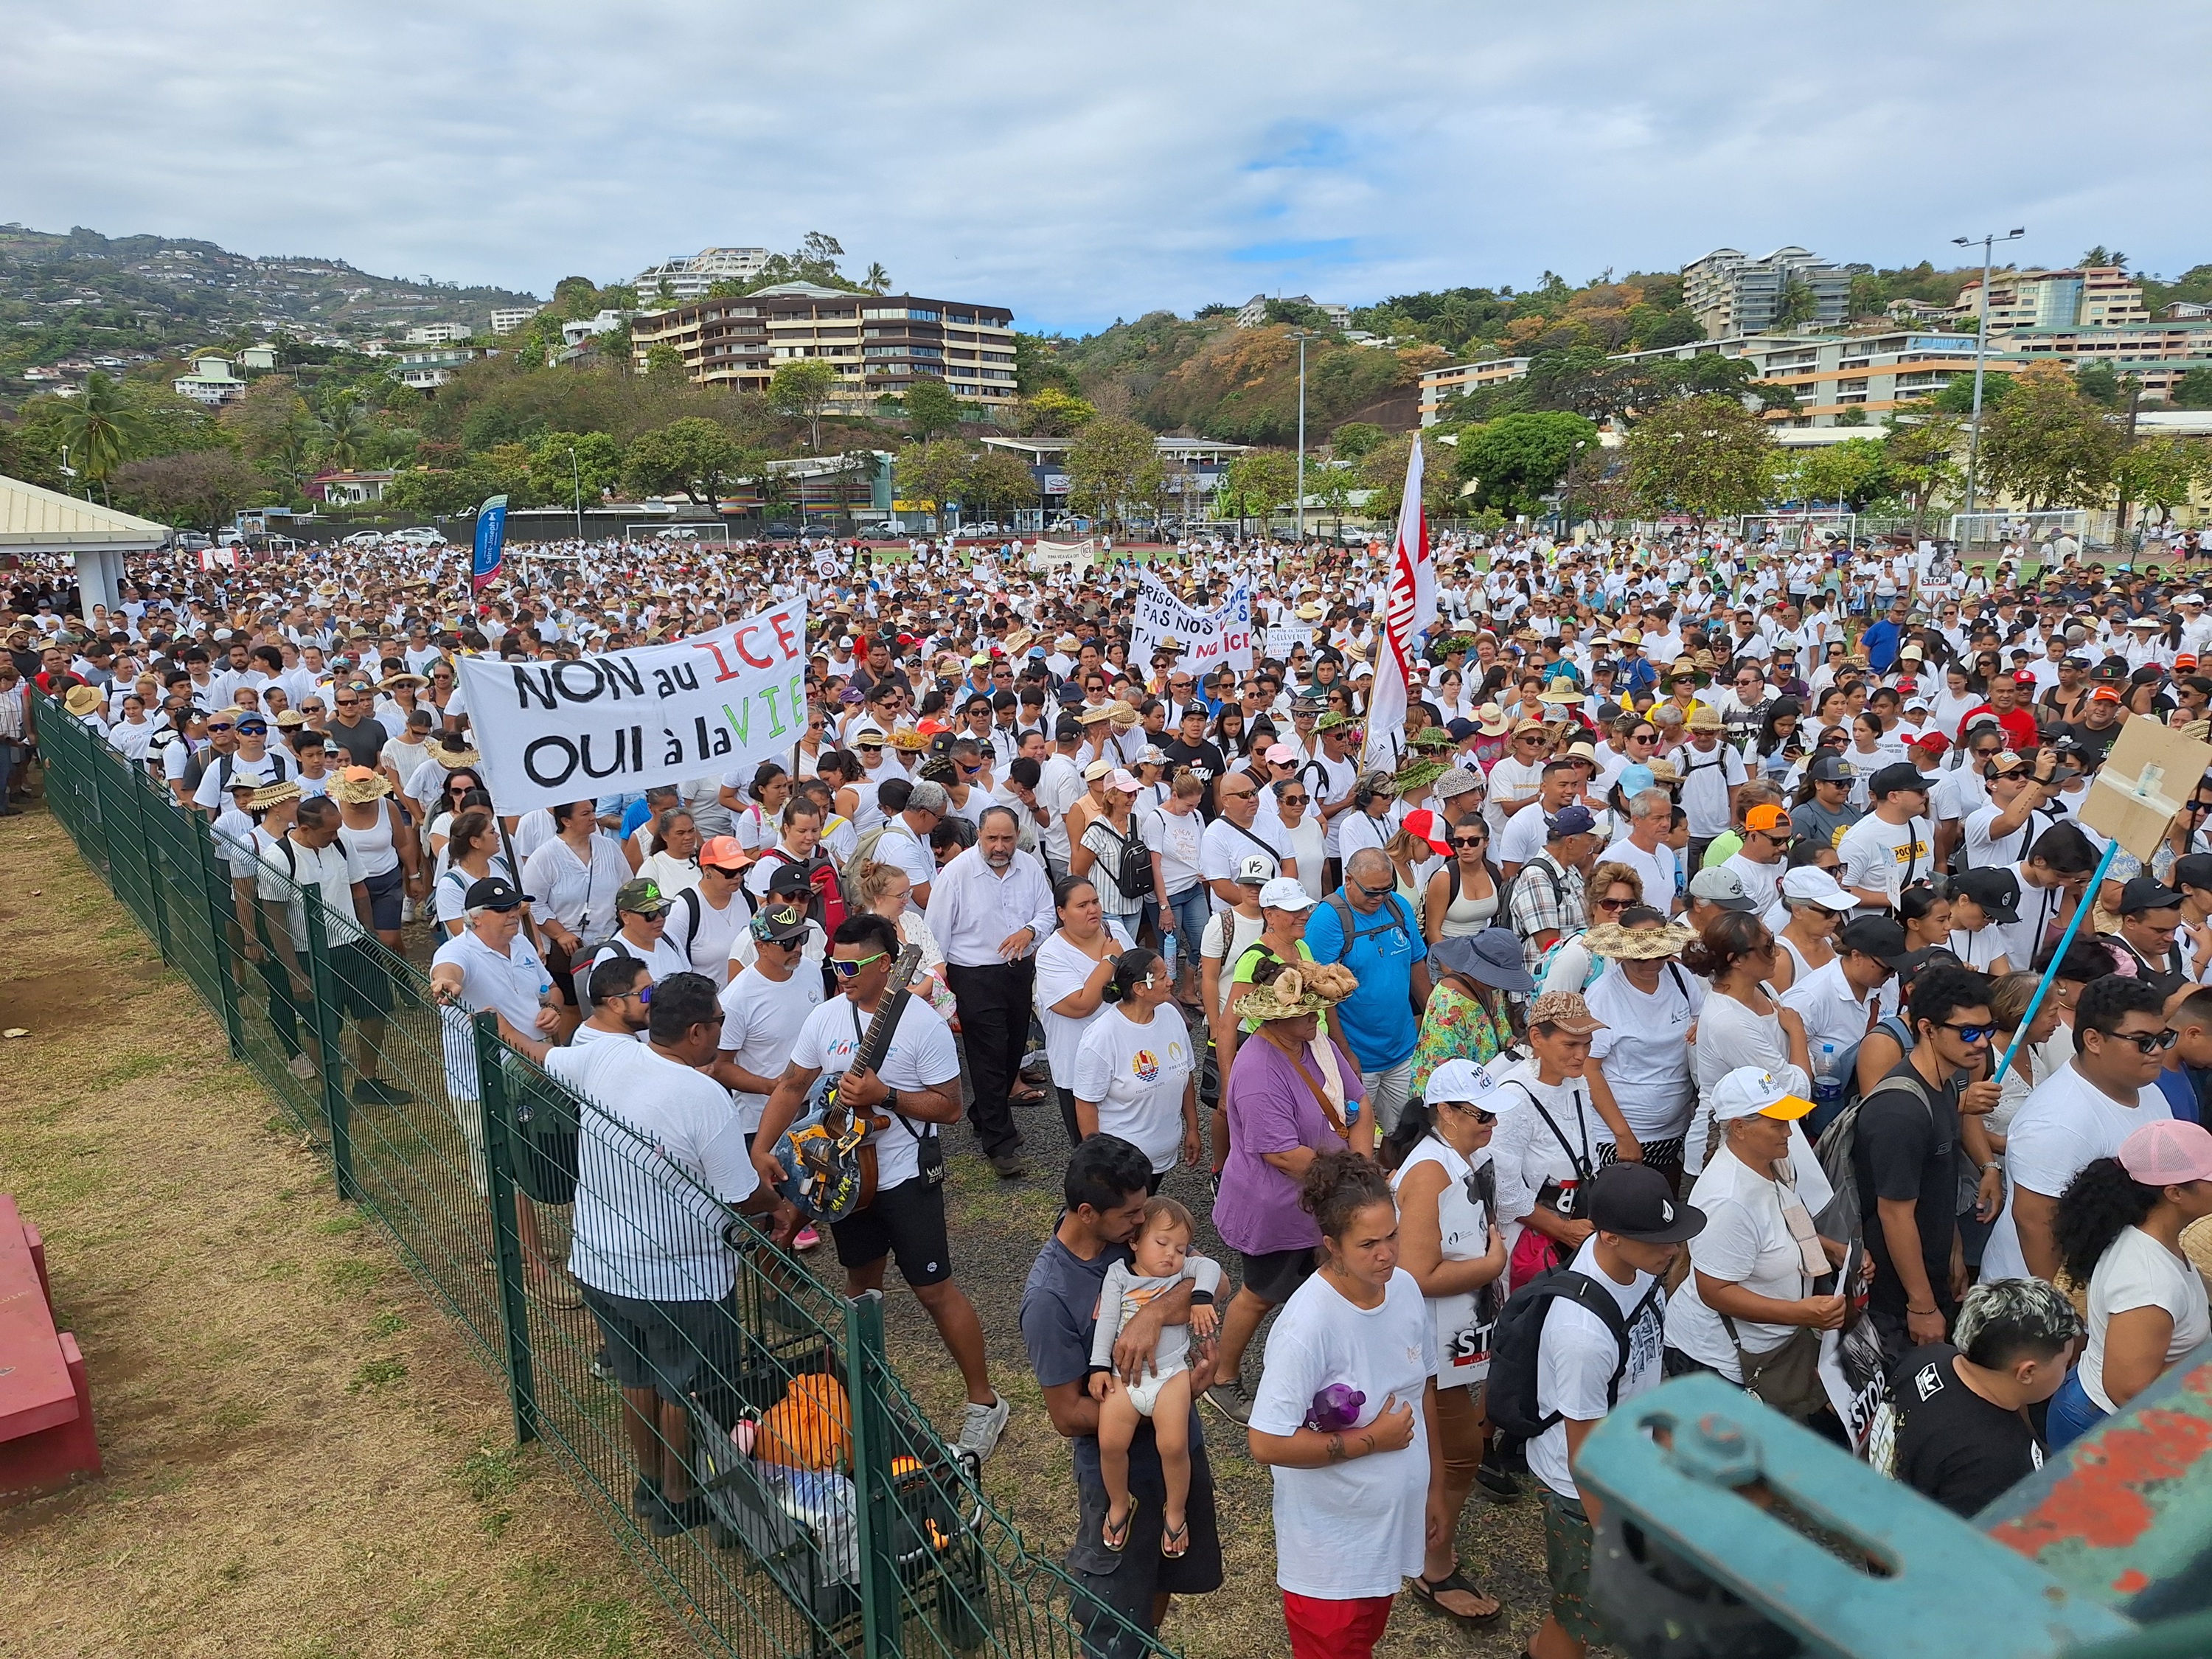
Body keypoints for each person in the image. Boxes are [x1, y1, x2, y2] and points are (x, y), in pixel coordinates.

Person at [754, 914, 1011, 1461]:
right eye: (834, 964)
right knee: (860, 1290)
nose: (840, 974)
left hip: (905, 1178)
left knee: (934, 1291)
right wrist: (761, 1149)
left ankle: (984, 1404)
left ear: (887, 965)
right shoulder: (825, 1018)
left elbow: (950, 1107)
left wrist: (886, 1094)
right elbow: (794, 1083)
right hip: (849, 1182)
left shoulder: (924, 1026)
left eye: (851, 965)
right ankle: (860, 1389)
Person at [557, 972, 799, 1537]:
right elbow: (741, 1196)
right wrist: (779, 1207)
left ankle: (650, 1486)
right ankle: (681, 1493)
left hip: (599, 1260)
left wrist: (493, 1025)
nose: (721, 1029)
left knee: (635, 1377)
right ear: (696, 1032)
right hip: (679, 1278)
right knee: (687, 1389)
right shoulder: (702, 1096)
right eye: (718, 1023)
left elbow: (546, 1060)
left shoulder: (606, 1055)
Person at [1020, 1135, 1223, 1652]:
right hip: (1124, 1470)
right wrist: (1154, 1404)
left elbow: (1213, 1282)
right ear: (1088, 1213)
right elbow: (1067, 1414)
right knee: (1114, 1613)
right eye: (1132, 1214)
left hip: (1177, 1446)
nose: (1143, 1221)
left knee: (1162, 1579)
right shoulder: (1049, 1296)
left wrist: (1154, 1316)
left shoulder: (1133, 1236)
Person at [1246, 1153, 1444, 1659]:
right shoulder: (1306, 1327)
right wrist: (1371, 1440)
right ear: (1331, 1246)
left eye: (1392, 1236)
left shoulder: (1404, 1291)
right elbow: (1266, 1441)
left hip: (1387, 1533)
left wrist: (1434, 1488)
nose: (1387, 1254)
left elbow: (1423, 1390)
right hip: (1329, 1557)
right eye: (1369, 1244)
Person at [1526, 1162, 1706, 1659]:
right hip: (1583, 1490)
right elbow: (1585, 1456)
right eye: (1657, 1239)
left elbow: (1647, 1374)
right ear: (1609, 1237)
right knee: (1582, 1618)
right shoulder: (1581, 1335)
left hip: (1629, 1463)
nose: (1672, 1248)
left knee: (1580, 1604)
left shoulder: (1636, 1267)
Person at [1206, 962, 1366, 1422]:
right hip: (1278, 1209)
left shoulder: (1315, 1043)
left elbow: (1360, 1105)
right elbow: (1282, 1155)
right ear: (1276, 1018)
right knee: (1259, 1293)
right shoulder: (1257, 1068)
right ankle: (1223, 1377)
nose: (1318, 1018)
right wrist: (1354, 1178)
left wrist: (1353, 1166)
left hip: (1324, 1198)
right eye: (1307, 1011)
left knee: (1325, 1292)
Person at [1383, 1060, 1510, 1628]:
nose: (1491, 1124)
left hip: (1453, 1339)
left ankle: (1429, 1544)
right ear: (1446, 1112)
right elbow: (1415, 1275)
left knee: (1448, 1453)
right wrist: (1491, 1265)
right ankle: (1433, 1567)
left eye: (1493, 1114)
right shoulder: (1429, 1173)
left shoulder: (1457, 1158)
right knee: (1458, 1454)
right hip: (1429, 1346)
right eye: (1481, 1115)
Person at [1661, 1067, 1846, 1407]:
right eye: (1777, 1123)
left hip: (1768, 1348)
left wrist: (1830, 1248)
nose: (1789, 1132)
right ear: (1740, 1128)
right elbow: (1713, 1291)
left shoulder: (1775, 1162)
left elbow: (1781, 1225)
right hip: (1717, 1364)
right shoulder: (1728, 1200)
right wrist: (1800, 1313)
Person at [1981, 975, 2175, 1284]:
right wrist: (2070, 1315)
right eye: (2143, 1041)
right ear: (2094, 1040)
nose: (2157, 1051)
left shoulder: (2147, 1088)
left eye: (2164, 1038)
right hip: (2038, 1304)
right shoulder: (2056, 1121)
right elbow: (2035, 1224)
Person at [1854, 966, 1998, 1362]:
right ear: (1928, 1029)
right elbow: (1894, 1215)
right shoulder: (1900, 1110)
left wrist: (1952, 1247)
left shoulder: (1947, 1083)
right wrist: (1921, 1305)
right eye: (1968, 1032)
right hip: (1893, 1291)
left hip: (1932, 1266)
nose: (1983, 1042)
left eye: (1989, 1029)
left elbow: (1937, 1179)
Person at [2045, 1119, 2212, 1449]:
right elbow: (2129, 1390)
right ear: (2175, 1193)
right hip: (2103, 1428)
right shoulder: (2149, 1283)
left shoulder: (2144, 1232)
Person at [926, 804, 1057, 1180]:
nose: (999, 847)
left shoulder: (1030, 867)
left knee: (1014, 1049)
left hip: (1018, 971)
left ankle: (984, 1114)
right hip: (973, 976)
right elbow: (937, 935)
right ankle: (999, 1142)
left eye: (1007, 839)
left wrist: (1029, 931)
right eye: (992, 838)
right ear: (979, 836)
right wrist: (945, 989)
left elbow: (1048, 912)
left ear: (1018, 837)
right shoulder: (956, 875)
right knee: (988, 1054)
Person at [1087, 1196, 1222, 1559]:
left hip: (1171, 1376)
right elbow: (1108, 1322)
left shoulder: (1183, 1273)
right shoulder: (1118, 1274)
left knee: (1173, 1446)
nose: (1171, 1255)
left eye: (1179, 1249)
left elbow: (1210, 1266)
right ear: (1134, 1241)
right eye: (1161, 1243)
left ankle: (1175, 1510)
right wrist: (1099, 1367)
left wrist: (1200, 1297)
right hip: (1124, 1377)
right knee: (1111, 1444)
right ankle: (1119, 1503)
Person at [257, 795, 412, 1106]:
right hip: (308, 951)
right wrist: (295, 972)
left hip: (353, 945)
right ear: (304, 828)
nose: (335, 836)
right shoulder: (279, 858)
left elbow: (358, 887)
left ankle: (366, 1080)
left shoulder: (340, 844)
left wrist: (368, 935)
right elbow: (274, 919)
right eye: (328, 832)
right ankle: (331, 1091)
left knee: (375, 1010)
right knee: (321, 1023)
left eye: (337, 830)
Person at [1883, 1278, 2081, 1520]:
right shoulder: (1999, 1462)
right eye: (2065, 1363)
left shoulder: (1926, 1357)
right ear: (2027, 1372)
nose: (2069, 1369)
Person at [1489, 990, 1638, 1287]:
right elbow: (1504, 1192)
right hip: (1530, 1244)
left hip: (1574, 1225)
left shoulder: (1578, 1081)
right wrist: (1562, 1229)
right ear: (1536, 1038)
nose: (1582, 1055)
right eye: (1570, 1044)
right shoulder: (1513, 1097)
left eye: (1587, 1045)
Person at [1303, 846, 1430, 1134]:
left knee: (1405, 1134)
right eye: (1372, 892)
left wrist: (1432, 1023)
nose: (1380, 898)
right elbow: (1322, 995)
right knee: (1352, 1137)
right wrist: (1345, 1053)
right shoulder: (1328, 920)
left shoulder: (1398, 907)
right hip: (1358, 1057)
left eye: (1387, 889)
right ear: (1348, 880)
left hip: (1404, 1048)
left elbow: (1417, 965)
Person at [1583, 914, 1705, 1192]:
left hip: (1676, 1127)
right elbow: (1589, 1069)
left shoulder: (1680, 977)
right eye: (1641, 958)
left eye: (1659, 956)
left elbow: (1702, 1019)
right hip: (1621, 1134)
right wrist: (1623, 1135)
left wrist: (1702, 1027)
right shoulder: (1603, 995)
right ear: (1623, 955)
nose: (1652, 965)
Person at [1073, 950, 1200, 1183]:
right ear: (1140, 989)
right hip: (1120, 1167)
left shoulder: (1171, 1015)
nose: (1171, 981)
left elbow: (1186, 1074)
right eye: (1162, 978)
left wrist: (1193, 1127)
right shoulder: (1102, 1037)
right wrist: (1099, 1163)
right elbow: (1086, 1103)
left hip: (1162, 1159)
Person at [1034, 875, 1122, 1147]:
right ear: (1061, 913)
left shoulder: (1116, 930)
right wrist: (1110, 961)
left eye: (1095, 902)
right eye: (1082, 905)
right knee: (1092, 1152)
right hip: (1077, 1066)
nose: (1093, 909)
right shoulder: (1051, 954)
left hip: (1123, 1058)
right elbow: (1081, 1005)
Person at [1409, 928, 1528, 1095]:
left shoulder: (1492, 989)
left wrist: (1507, 1042)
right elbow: (1444, 1073)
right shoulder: (1448, 1004)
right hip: (1455, 1101)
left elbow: (1497, 1026)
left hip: (1487, 1086)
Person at [590, 877, 694, 984]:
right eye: (650, 914)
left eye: (663, 910)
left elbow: (688, 981)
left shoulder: (670, 939)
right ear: (625, 917)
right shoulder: (612, 955)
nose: (660, 919)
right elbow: (605, 999)